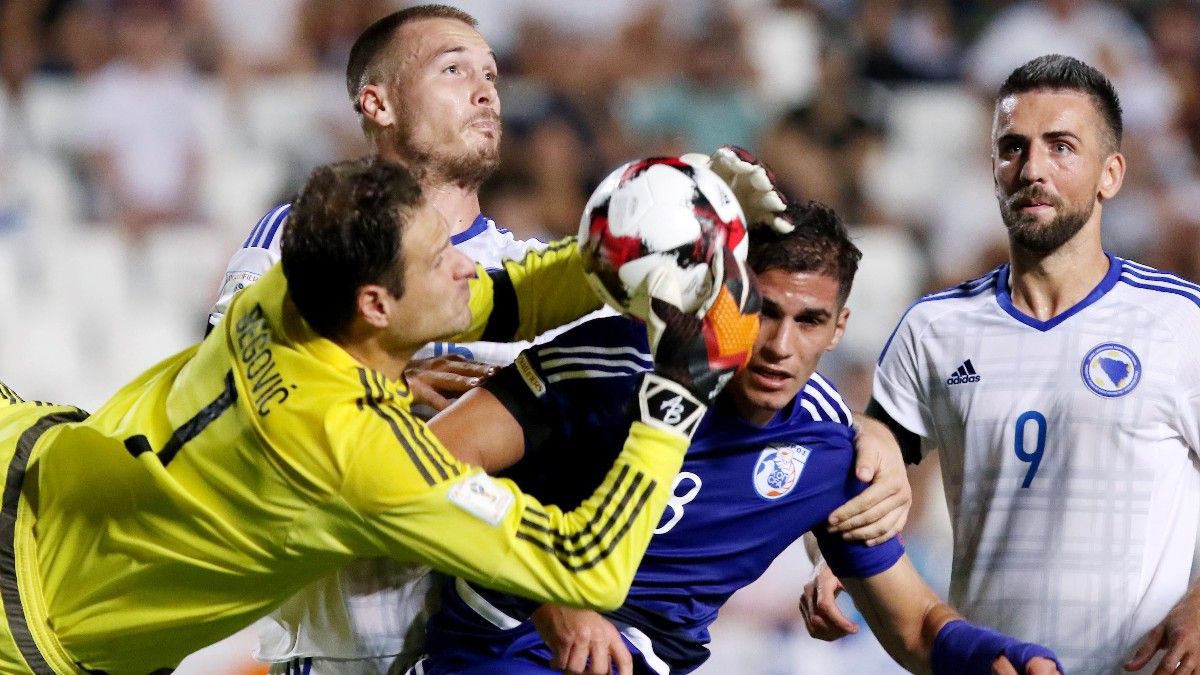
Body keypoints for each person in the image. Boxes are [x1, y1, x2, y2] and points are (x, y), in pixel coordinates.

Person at [209, 5, 913, 673]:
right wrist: (379, 390)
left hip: (499, 643)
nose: (486, 91)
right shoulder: (303, 242)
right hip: (344, 646)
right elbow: (229, 402)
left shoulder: (554, 279)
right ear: (378, 103)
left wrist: (863, 439)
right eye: (454, 70)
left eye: (491, 73)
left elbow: (698, 415)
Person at [0, 156, 762, 674]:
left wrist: (661, 233)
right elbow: (580, 565)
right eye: (441, 259)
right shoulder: (361, 456)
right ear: (376, 304)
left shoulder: (295, 284)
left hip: (21, 451)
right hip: (29, 618)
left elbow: (506, 296)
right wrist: (676, 402)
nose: (466, 261)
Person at [405, 201, 1062, 675]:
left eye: (810, 321)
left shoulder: (831, 449)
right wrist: (552, 596)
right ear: (724, 300)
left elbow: (915, 623)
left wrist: (992, 653)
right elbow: (424, 470)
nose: (779, 346)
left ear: (839, 329)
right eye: (764, 312)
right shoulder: (611, 365)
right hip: (504, 646)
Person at [801, 54, 1200, 674]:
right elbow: (873, 462)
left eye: (1061, 146)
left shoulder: (1182, 324)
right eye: (1013, 148)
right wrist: (846, 553)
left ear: (1110, 174)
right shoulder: (935, 330)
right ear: (992, 168)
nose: (1032, 169)